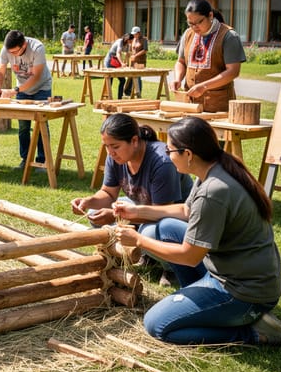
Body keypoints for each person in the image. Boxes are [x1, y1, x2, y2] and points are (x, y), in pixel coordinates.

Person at [114, 116, 281, 346]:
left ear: (188, 154)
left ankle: (253, 333)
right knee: (166, 227)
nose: (167, 154)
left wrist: (138, 240)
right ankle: (201, 302)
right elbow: (186, 210)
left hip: (244, 293)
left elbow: (189, 255)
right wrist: (137, 211)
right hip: (242, 277)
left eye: (170, 149)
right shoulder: (213, 168)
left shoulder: (212, 192)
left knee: (157, 324)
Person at [70, 113, 197, 285]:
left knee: (150, 232)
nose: (110, 152)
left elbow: (160, 212)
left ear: (135, 141)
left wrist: (117, 216)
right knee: (95, 213)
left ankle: (173, 267)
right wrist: (88, 201)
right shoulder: (115, 157)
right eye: (106, 146)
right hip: (142, 209)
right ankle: (149, 255)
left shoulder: (162, 162)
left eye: (115, 146)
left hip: (173, 218)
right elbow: (108, 193)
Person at [170, 0, 246, 113]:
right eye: (190, 23)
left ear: (210, 15)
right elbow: (181, 62)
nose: (194, 27)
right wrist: (177, 78)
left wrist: (204, 86)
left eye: (199, 22)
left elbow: (233, 71)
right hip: (189, 104)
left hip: (218, 105)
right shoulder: (188, 34)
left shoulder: (229, 36)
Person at [0, 30, 53, 169]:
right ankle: (25, 160)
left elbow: (36, 76)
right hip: (21, 88)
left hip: (42, 88)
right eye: (10, 52)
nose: (12, 55)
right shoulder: (6, 49)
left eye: (15, 52)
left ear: (24, 45)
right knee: (23, 126)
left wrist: (14, 91)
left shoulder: (37, 48)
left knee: (41, 123)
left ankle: (43, 161)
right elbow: (0, 71)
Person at [104, 32, 132, 99]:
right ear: (127, 39)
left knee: (122, 80)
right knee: (110, 79)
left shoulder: (127, 45)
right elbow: (118, 53)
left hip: (116, 61)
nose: (131, 42)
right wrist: (122, 63)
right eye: (130, 40)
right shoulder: (120, 41)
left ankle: (119, 98)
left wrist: (126, 63)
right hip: (109, 61)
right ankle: (109, 99)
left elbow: (127, 55)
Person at [124, 26, 148, 97]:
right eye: (133, 34)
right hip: (132, 61)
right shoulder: (133, 39)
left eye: (135, 34)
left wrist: (136, 55)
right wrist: (127, 59)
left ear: (139, 33)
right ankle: (128, 92)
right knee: (131, 76)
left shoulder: (144, 40)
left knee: (138, 77)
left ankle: (138, 93)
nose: (134, 35)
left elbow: (145, 50)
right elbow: (130, 50)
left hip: (141, 61)